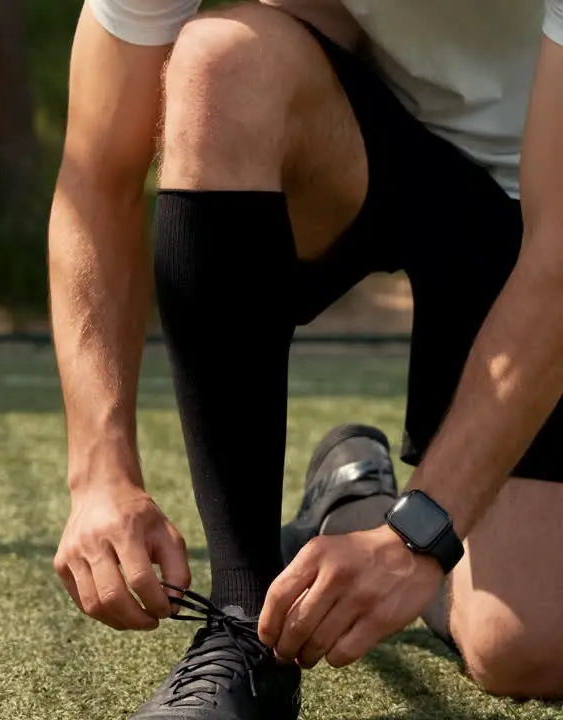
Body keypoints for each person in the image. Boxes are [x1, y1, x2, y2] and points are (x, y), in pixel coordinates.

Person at [47, 0, 563, 716]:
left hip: (544, 204)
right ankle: (244, 624)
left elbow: (560, 253)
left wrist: (418, 530)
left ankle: (358, 509)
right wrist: (100, 475)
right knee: (222, 63)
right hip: (371, 144)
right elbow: (96, 171)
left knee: (522, 643)